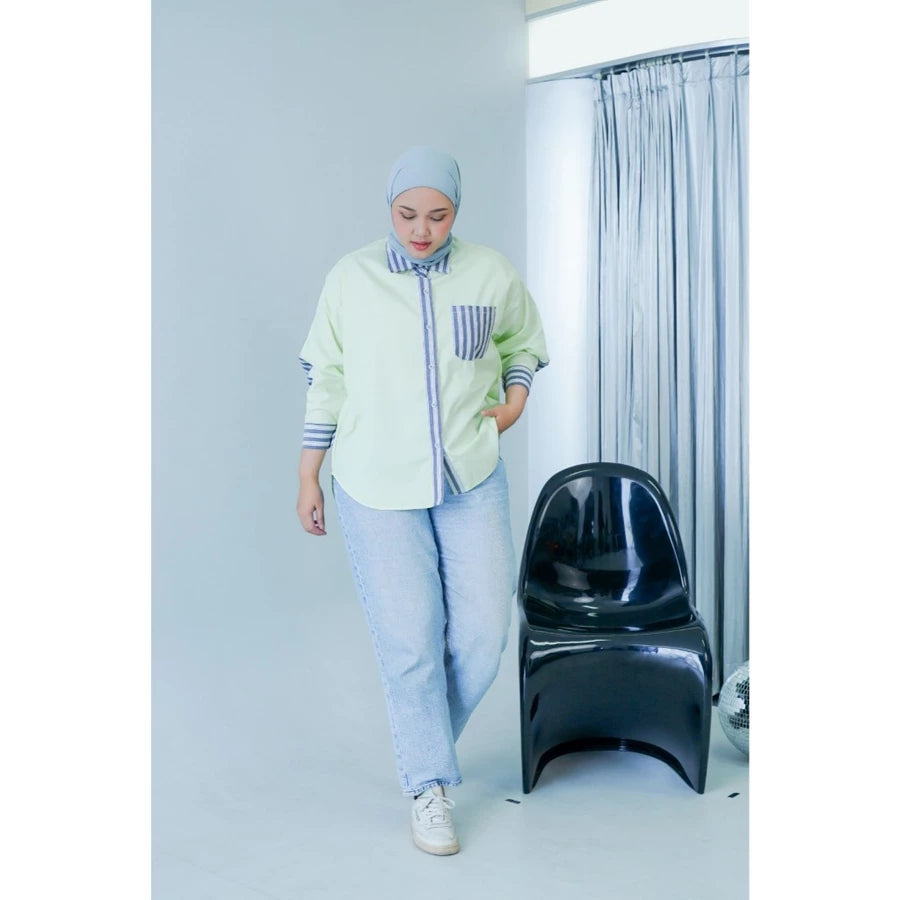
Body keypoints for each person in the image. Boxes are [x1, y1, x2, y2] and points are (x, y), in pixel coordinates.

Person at [296, 146, 548, 856]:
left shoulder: (489, 271)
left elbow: (523, 343)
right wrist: (309, 473)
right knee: (410, 641)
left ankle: (422, 749)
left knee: (483, 635)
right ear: (390, 207)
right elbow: (326, 379)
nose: (421, 229)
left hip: (470, 476)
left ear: (456, 212)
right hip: (374, 484)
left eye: (438, 215)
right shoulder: (351, 279)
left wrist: (515, 400)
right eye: (407, 213)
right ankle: (429, 787)